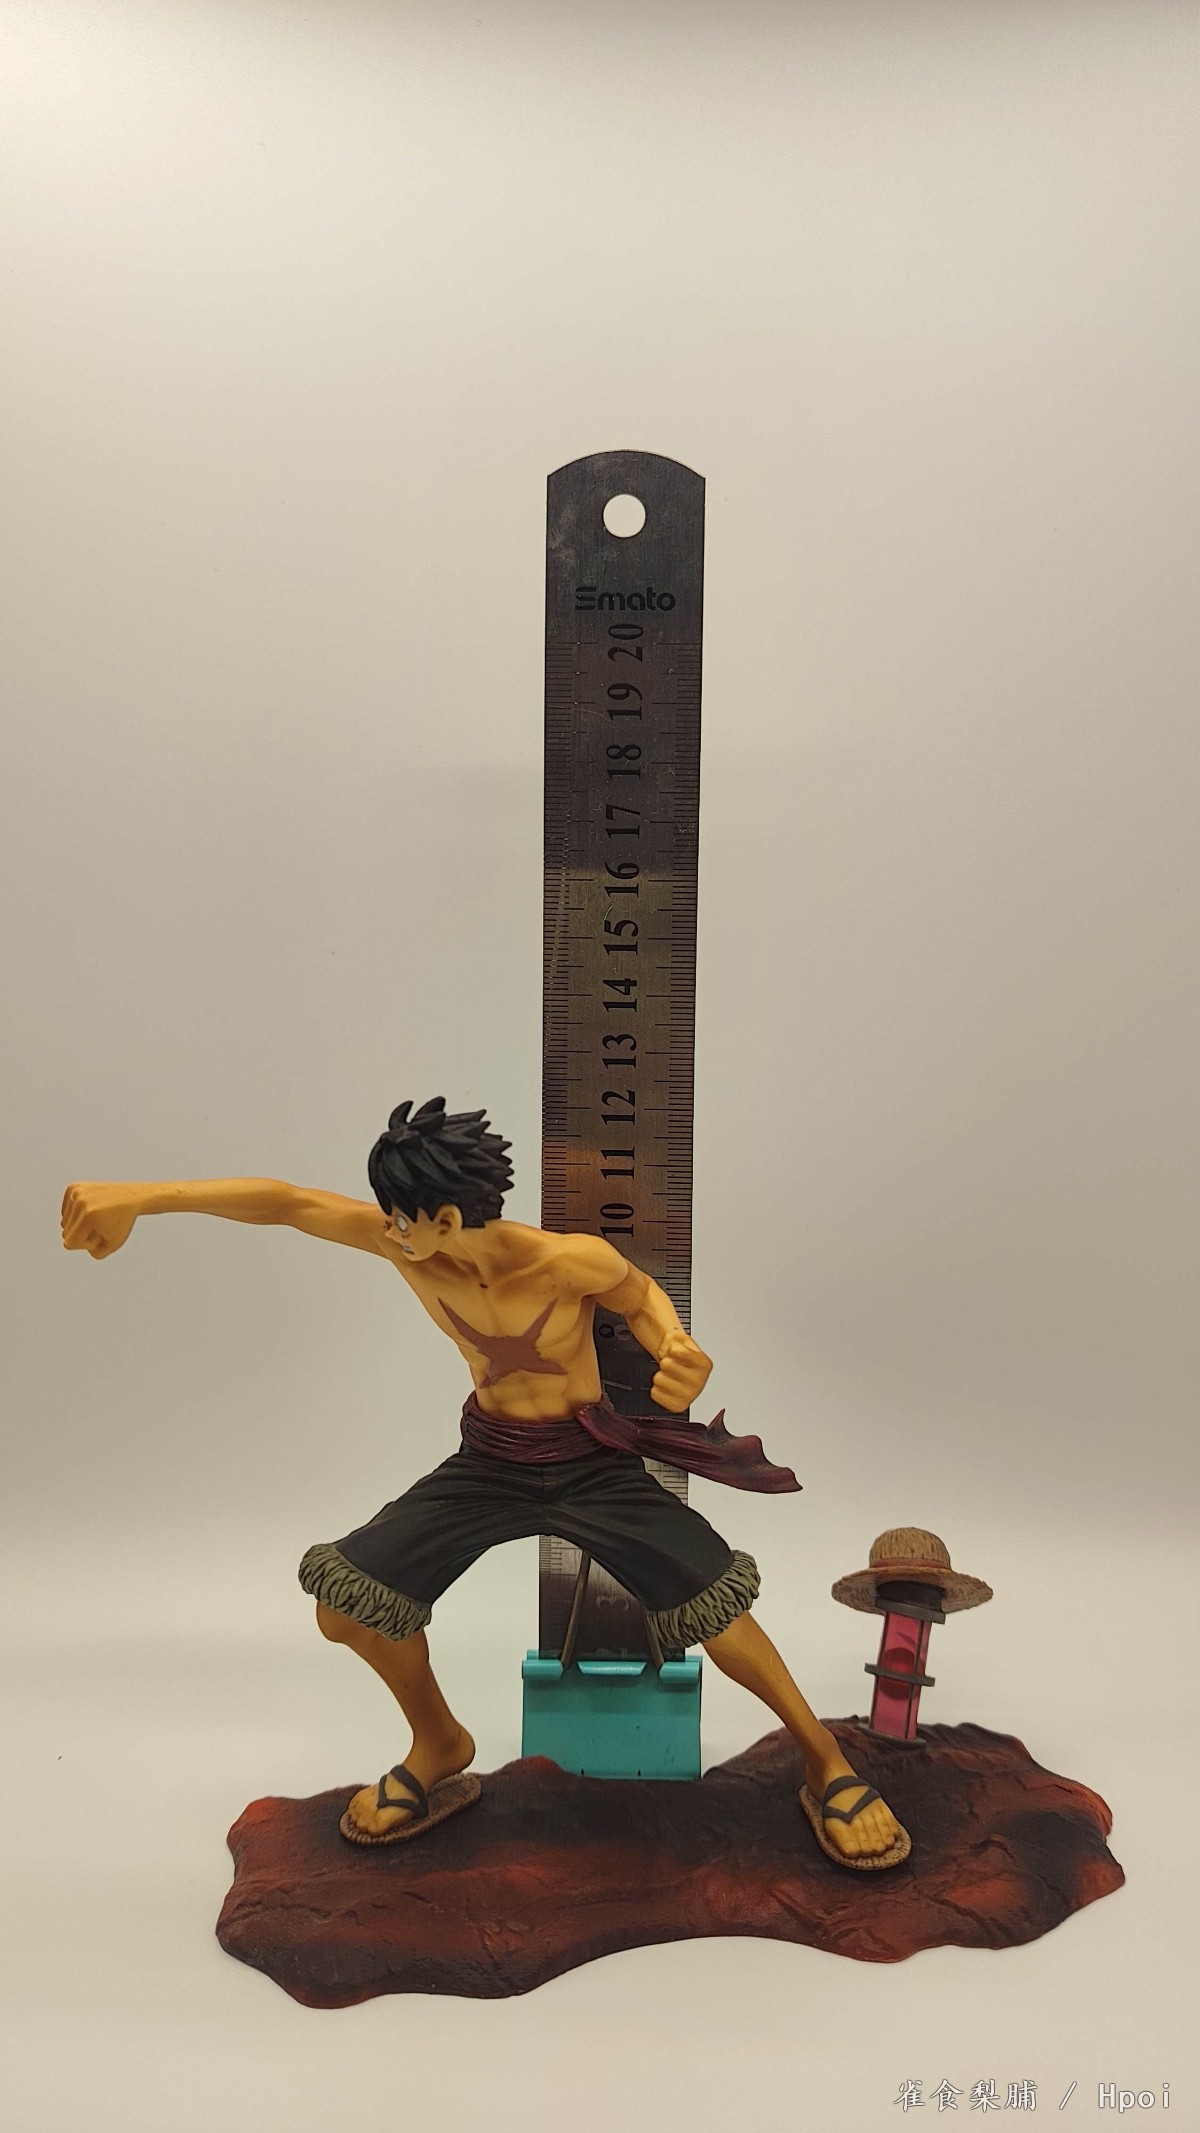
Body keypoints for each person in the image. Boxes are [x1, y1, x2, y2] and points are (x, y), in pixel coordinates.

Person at [61, 1095, 909, 1868]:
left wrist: (676, 1346)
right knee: (344, 1606)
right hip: (489, 1460)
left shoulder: (564, 1261)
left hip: (590, 1464)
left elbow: (640, 1294)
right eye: (388, 1217)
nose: (389, 1232)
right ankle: (438, 1740)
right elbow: (284, 1202)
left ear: (444, 1216)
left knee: (716, 1605)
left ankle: (825, 1760)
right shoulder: (403, 1246)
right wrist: (140, 1196)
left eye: (404, 1220)